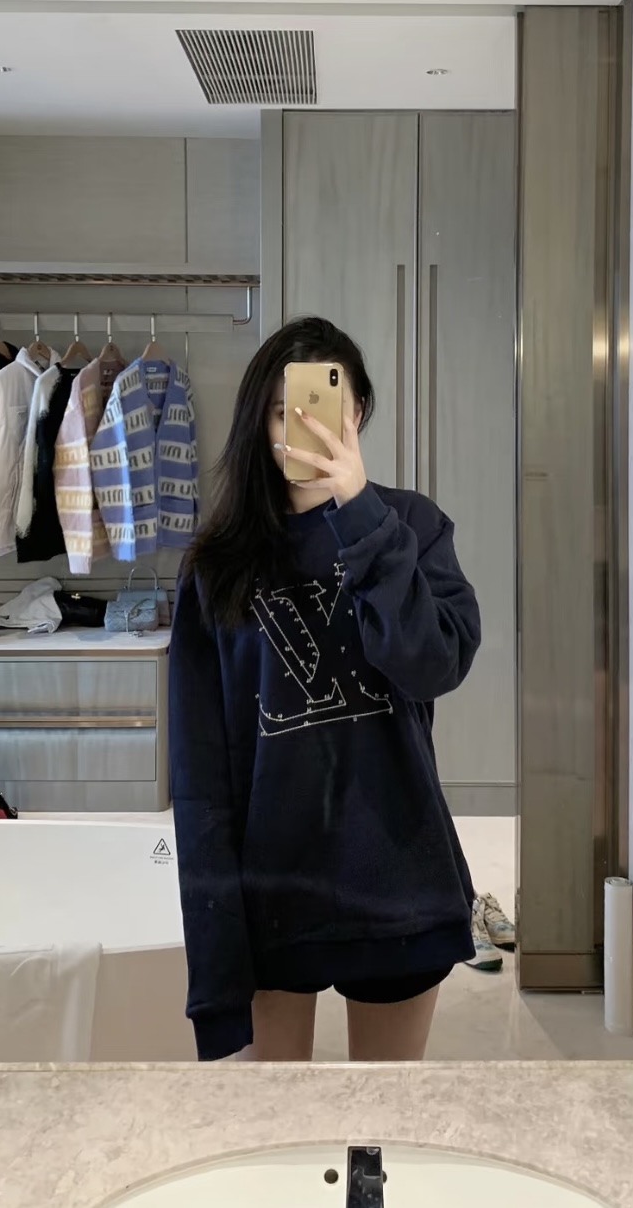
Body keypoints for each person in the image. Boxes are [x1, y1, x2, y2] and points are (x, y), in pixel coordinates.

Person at [169, 316, 480, 1062]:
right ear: (259, 423)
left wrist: (361, 516)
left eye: (323, 411)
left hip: (397, 879)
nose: (303, 431)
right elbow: (200, 771)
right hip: (272, 888)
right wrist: (215, 934)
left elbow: (432, 664)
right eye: (285, 413)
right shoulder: (219, 563)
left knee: (382, 1119)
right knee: (280, 1123)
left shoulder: (410, 527)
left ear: (357, 413)